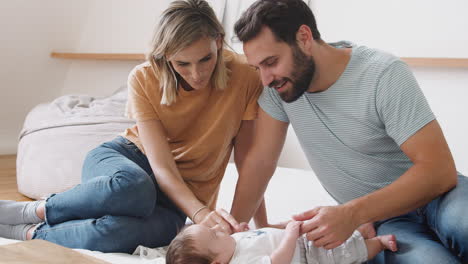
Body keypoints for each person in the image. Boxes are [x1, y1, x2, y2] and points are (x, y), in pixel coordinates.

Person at [0, 0, 263, 253]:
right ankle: (31, 211)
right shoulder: (144, 77)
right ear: (166, 56)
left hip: (176, 202)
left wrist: (253, 224)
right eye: (183, 63)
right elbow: (162, 168)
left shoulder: (246, 75)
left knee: (122, 233)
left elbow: (250, 160)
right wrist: (200, 212)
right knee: (135, 189)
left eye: (206, 59)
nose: (196, 74)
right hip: (127, 162)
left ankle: (29, 232)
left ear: (218, 41)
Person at [228, 0, 468, 263]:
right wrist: (231, 238)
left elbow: (440, 172)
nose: (265, 78)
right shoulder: (278, 90)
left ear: (304, 38)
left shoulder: (381, 74)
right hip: (385, 220)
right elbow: (260, 163)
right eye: (257, 68)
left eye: (271, 62)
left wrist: (352, 214)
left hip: (440, 196)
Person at [165, 221, 397, 264]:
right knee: (345, 252)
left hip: (302, 243)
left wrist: (247, 231)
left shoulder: (230, 245)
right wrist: (289, 236)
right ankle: (378, 244)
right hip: (308, 258)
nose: (217, 228)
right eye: (213, 235)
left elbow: (257, 239)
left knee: (325, 232)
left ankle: (359, 229)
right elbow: (277, 261)